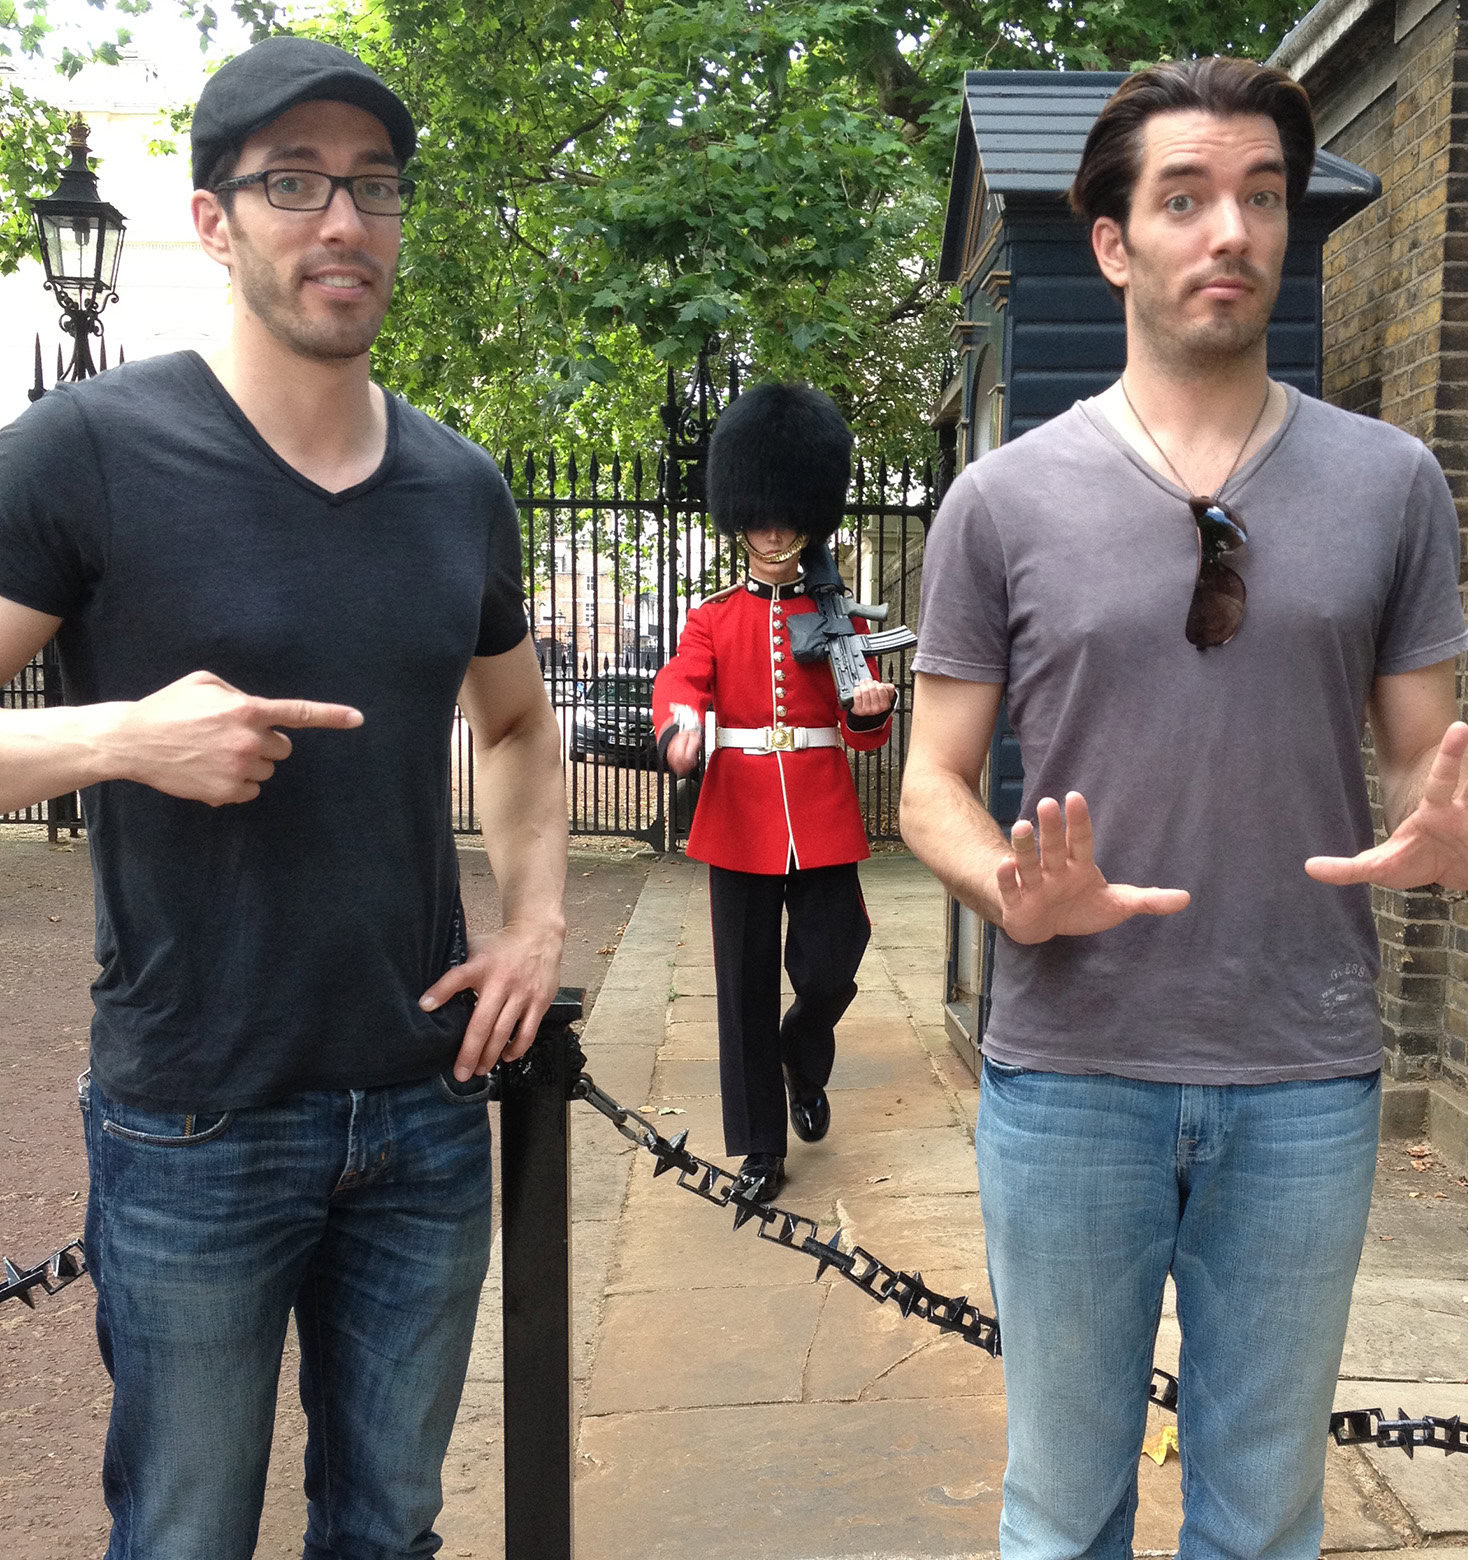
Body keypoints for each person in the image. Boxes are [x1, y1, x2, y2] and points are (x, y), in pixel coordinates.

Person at [899, 56, 1468, 1560]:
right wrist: (1010, 886)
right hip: (1070, 1072)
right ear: (1116, 242)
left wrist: (1446, 839)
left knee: (1263, 1515)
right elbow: (932, 779)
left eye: (1261, 197)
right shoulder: (1000, 501)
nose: (1232, 232)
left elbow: (1416, 757)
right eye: (1186, 199)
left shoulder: (1394, 485)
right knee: (1064, 1512)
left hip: (1304, 1074)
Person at [0, 36, 567, 1560]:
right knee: (185, 1533)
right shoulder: (86, 453)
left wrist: (536, 927)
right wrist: (121, 736)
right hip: (194, 1113)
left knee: (389, 1528)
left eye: (373, 187)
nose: (342, 222)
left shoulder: (462, 486)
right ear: (214, 219)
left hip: (425, 1106)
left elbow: (515, 724)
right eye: (295, 183)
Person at [653, 382, 896, 1202]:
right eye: (759, 517)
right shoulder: (714, 617)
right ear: (741, 518)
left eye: (787, 515)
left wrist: (868, 711)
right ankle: (761, 1148)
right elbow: (683, 684)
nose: (773, 530)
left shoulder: (841, 619)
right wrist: (681, 730)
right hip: (740, 819)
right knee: (744, 986)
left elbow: (861, 724)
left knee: (832, 965)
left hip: (820, 817)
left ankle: (804, 1048)